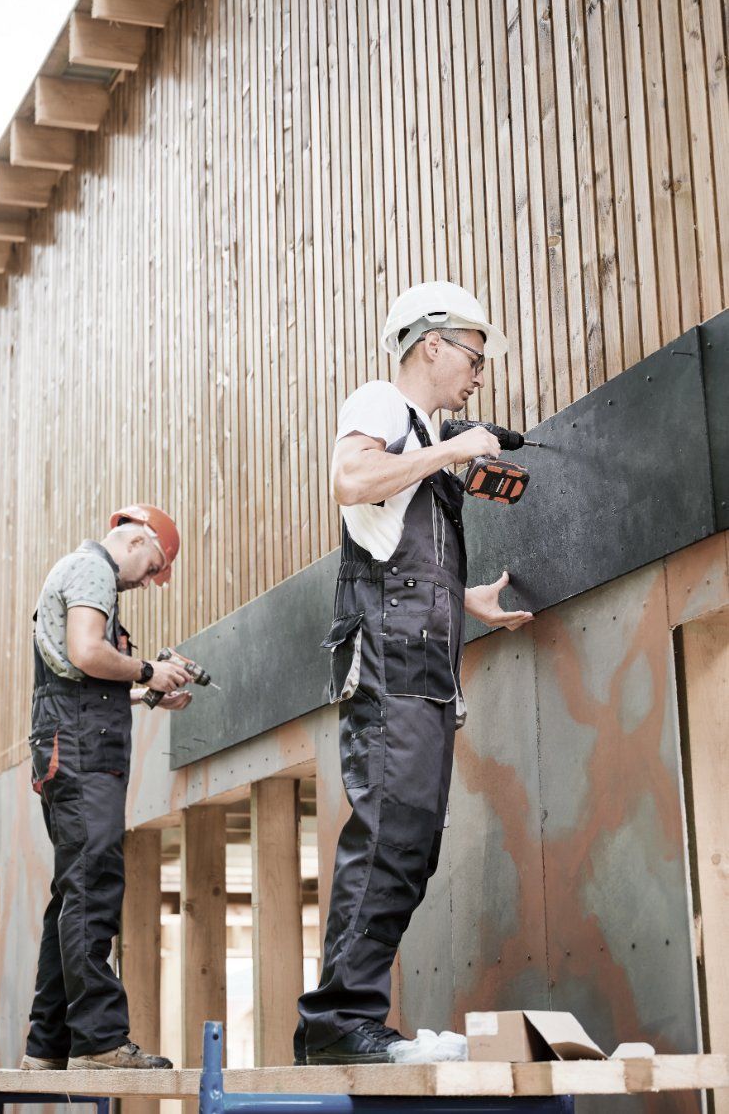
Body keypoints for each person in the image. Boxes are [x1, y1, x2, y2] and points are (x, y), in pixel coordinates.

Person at [296, 282, 534, 1065]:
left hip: (425, 661)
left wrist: (470, 603)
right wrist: (453, 449)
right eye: (473, 354)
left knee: (412, 844)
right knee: (389, 836)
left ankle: (348, 1018)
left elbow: (390, 543)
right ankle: (338, 1022)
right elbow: (350, 482)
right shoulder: (382, 403)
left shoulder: (421, 434)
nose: (478, 373)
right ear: (430, 344)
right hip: (391, 660)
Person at [21, 505, 193, 1071]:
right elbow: (88, 653)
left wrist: (151, 691)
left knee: (73, 893)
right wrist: (146, 670)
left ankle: (45, 1046)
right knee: (93, 887)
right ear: (140, 538)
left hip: (69, 743)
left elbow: (85, 680)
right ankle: (98, 1042)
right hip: (80, 753)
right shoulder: (91, 569)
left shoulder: (75, 573)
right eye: (154, 567)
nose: (148, 581)